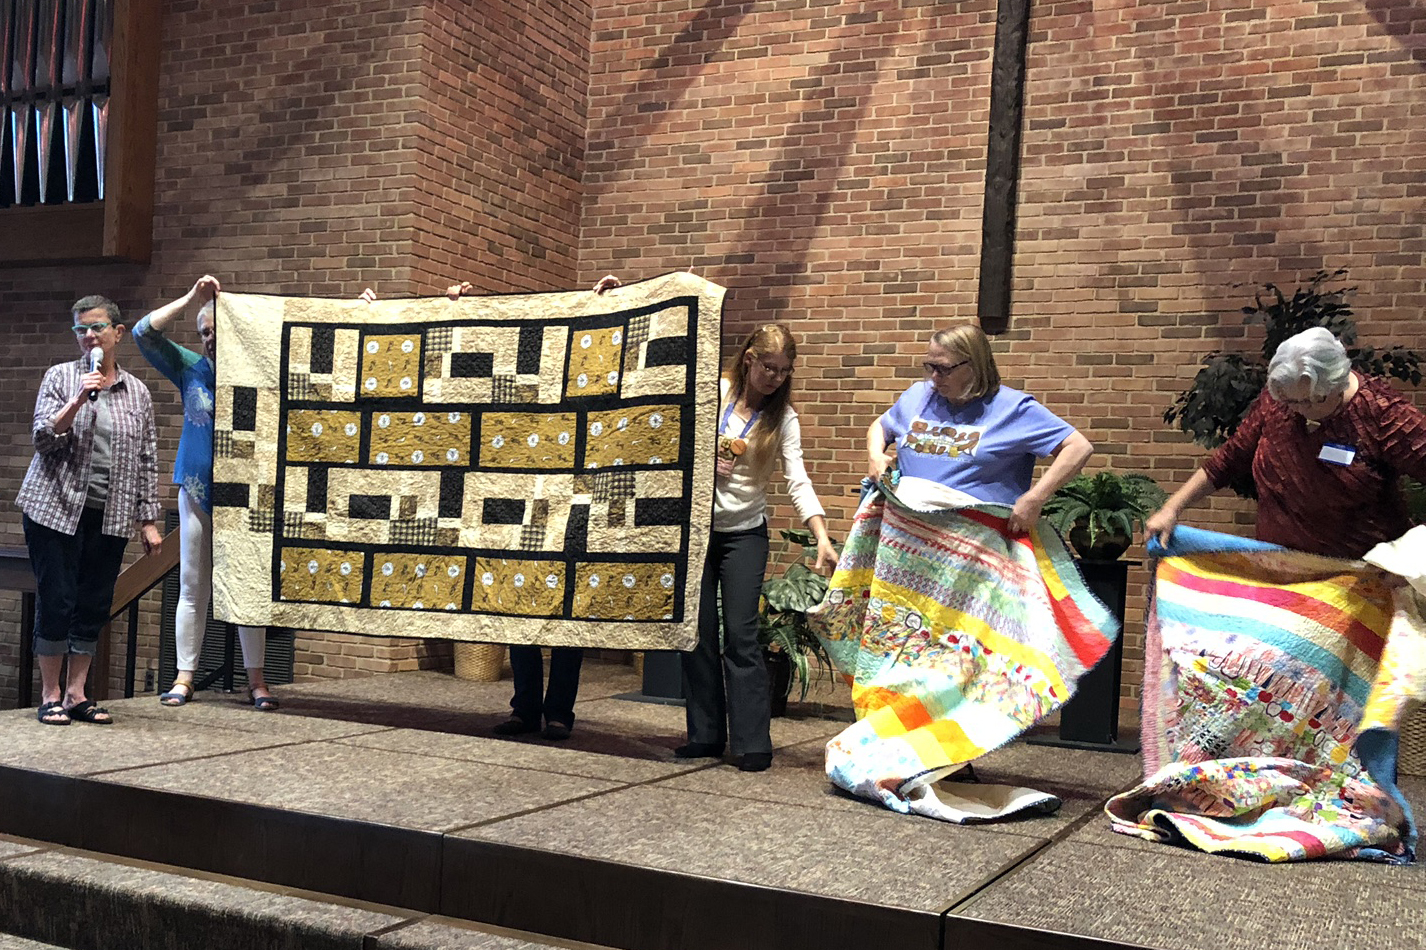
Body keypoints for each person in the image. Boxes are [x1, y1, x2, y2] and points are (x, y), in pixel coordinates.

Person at [1146, 327, 1426, 558]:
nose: (1298, 409)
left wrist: (1408, 562)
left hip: (1361, 579)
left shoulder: (1385, 415)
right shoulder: (1280, 399)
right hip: (1279, 567)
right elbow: (1229, 460)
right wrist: (1172, 508)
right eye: (1290, 401)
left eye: (1309, 401)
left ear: (1337, 385)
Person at [444, 278, 583, 741]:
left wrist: (616, 298)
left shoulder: (569, 372)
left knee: (567, 612)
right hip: (512, 496)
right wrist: (463, 311)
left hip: (565, 497)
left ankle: (558, 711)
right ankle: (525, 707)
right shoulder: (511, 381)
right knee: (518, 605)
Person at [131, 276, 278, 710]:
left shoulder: (261, 371)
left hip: (247, 493)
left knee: (248, 585)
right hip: (196, 488)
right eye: (204, 333)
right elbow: (143, 333)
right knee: (193, 584)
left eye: (216, 330)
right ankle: (184, 677)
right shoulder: (190, 367)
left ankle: (256, 681)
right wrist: (192, 298)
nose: (210, 339)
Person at [18, 295, 163, 725]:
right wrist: (79, 398)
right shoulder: (61, 377)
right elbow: (43, 439)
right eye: (81, 329)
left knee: (94, 602)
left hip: (110, 513)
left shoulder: (137, 393)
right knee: (58, 598)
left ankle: (76, 694)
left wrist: (148, 520)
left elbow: (147, 458)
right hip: (54, 508)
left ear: (117, 333)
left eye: (97, 327)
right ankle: (50, 694)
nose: (89, 336)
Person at [867, 323, 1094, 530]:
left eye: (944, 368)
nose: (935, 377)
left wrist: (1035, 499)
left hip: (976, 535)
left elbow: (1078, 447)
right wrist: (875, 455)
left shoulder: (1013, 408)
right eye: (930, 366)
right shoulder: (918, 395)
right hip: (906, 530)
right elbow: (881, 425)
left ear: (974, 365)